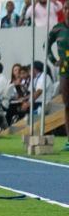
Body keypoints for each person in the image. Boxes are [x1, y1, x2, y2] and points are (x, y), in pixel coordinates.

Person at [48, 14, 69, 150]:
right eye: (66, 8)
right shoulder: (58, 29)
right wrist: (54, 60)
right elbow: (46, 45)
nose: (68, 10)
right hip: (65, 70)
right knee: (68, 105)